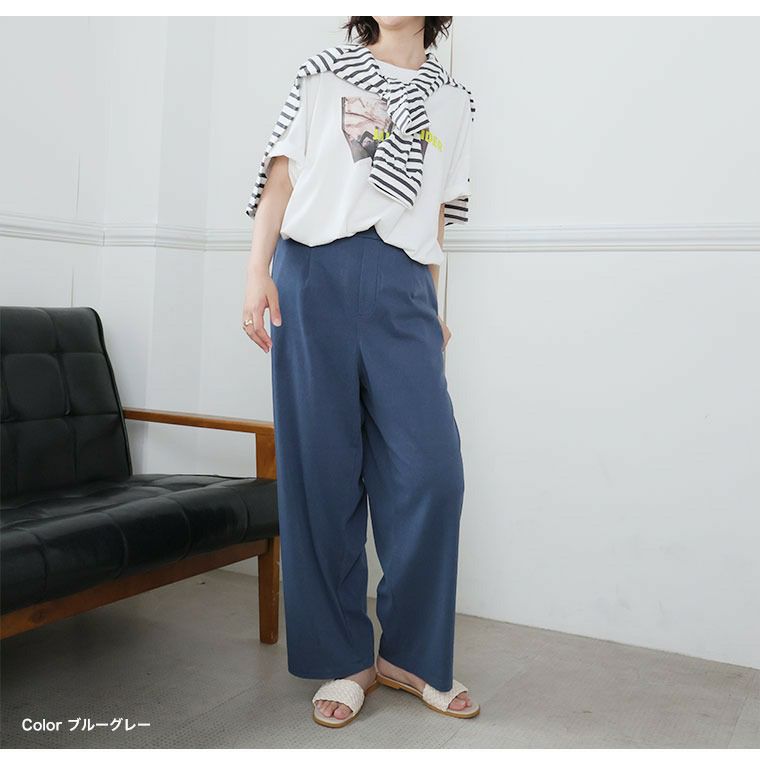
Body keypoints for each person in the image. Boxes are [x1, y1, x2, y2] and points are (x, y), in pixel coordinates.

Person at [242, 16, 478, 728]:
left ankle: (410, 654)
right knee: (321, 473)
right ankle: (345, 658)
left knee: (433, 473)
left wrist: (429, 303)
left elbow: (436, 213)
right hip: (314, 273)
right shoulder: (324, 72)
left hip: (404, 282)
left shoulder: (453, 100)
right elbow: (282, 178)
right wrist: (256, 272)